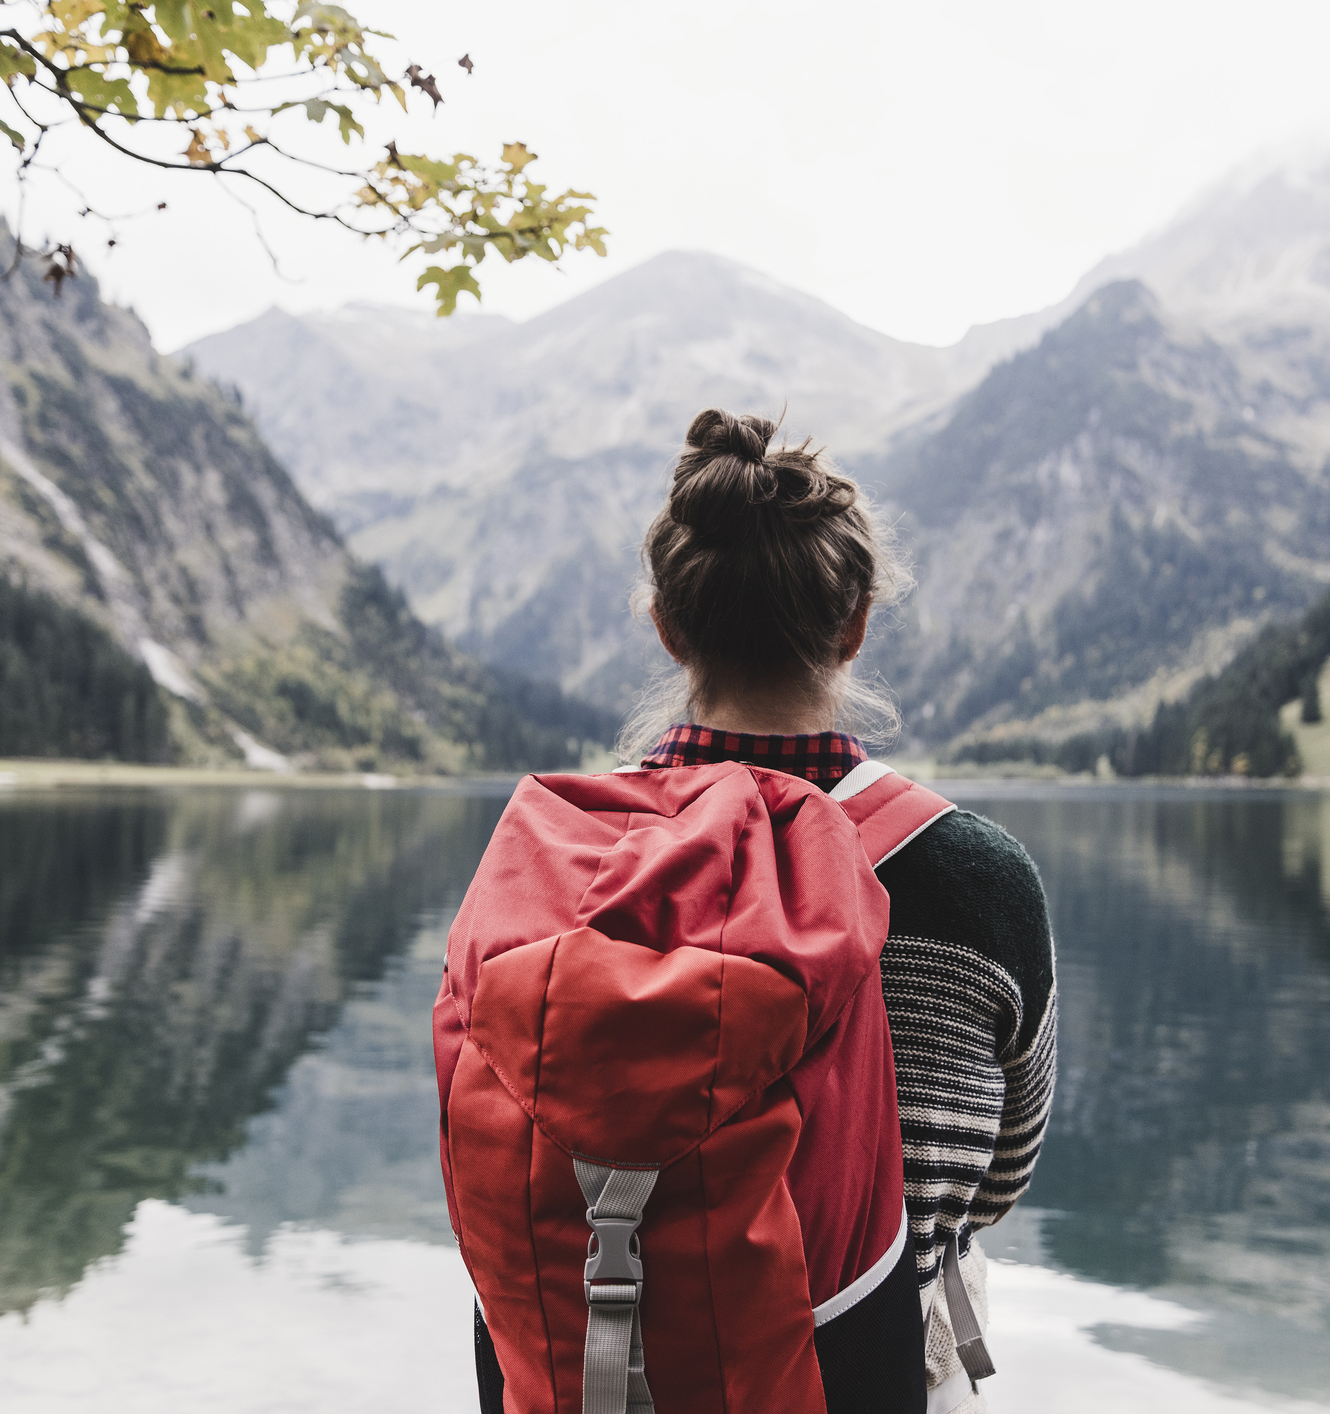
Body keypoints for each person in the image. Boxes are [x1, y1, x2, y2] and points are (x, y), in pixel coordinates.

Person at [446, 409, 1058, 1414]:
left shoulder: (555, 865)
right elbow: (995, 1181)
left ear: (668, 627)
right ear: (856, 623)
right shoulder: (980, 886)